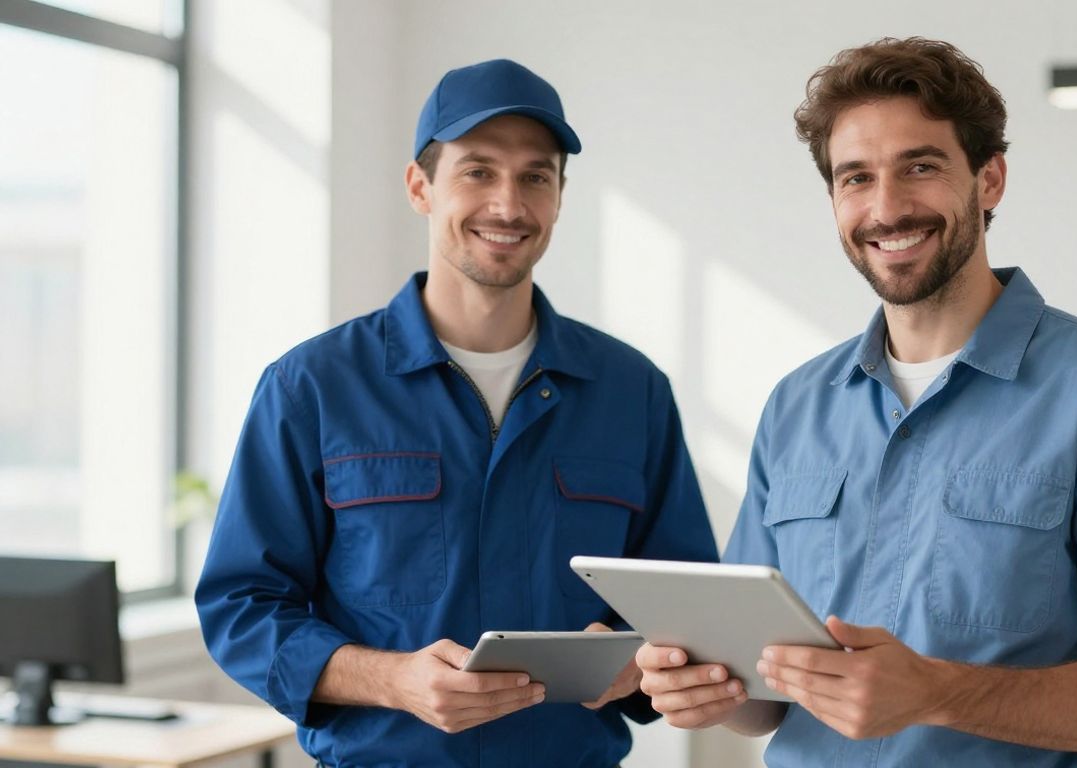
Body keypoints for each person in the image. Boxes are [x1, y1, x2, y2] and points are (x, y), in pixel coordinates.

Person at [635, 37, 1077, 767]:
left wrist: (938, 692)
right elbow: (764, 695)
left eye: (919, 166)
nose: (886, 208)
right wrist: (713, 691)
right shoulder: (796, 407)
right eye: (856, 178)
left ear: (990, 180)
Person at [195, 59, 718, 766]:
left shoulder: (633, 392)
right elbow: (242, 606)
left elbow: (686, 605)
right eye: (477, 171)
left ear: (560, 198)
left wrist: (636, 660)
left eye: (536, 176)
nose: (508, 203)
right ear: (421, 187)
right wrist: (391, 680)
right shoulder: (311, 387)